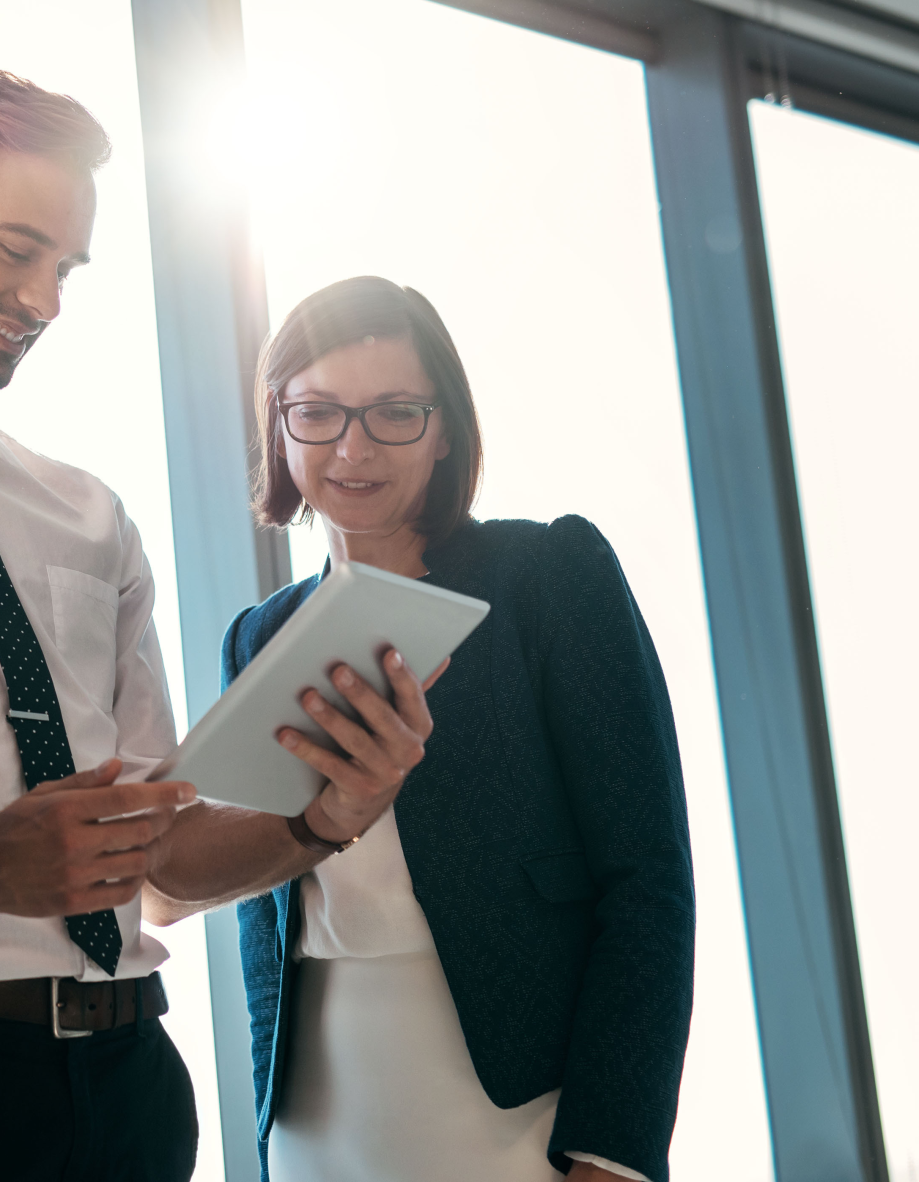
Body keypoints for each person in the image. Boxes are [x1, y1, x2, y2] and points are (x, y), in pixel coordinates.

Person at [0, 70, 428, 1182]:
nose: (45, 299)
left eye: (65, 268)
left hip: (129, 1082)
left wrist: (323, 820)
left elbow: (158, 848)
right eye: (15, 248)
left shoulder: (82, 511)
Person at [223, 276, 697, 1182]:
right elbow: (265, 919)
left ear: (443, 430)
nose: (354, 446)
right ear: (279, 426)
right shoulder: (258, 636)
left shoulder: (546, 575)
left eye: (394, 412)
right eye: (317, 412)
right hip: (319, 1111)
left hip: (521, 1109)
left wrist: (614, 1152)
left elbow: (648, 881)